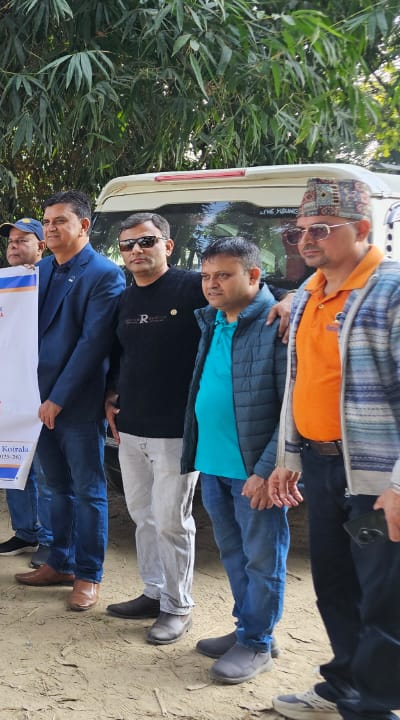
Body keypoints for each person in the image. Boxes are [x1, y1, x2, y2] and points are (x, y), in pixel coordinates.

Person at [268, 178, 400, 720]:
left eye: (321, 229)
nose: (306, 240)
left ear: (363, 230)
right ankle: (345, 680)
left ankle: (377, 705)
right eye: (298, 231)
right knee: (334, 585)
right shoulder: (310, 294)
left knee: (384, 599)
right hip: (322, 468)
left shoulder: (391, 291)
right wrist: (287, 458)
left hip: (374, 479)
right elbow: (300, 383)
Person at [179, 237, 289, 684]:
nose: (211, 284)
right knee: (234, 554)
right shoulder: (213, 320)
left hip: (254, 472)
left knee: (263, 559)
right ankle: (251, 627)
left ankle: (258, 643)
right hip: (214, 463)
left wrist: (265, 470)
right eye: (206, 276)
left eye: (223, 275)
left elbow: (291, 409)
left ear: (254, 275)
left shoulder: (276, 324)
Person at [14, 190, 124, 613]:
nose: (51, 227)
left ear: (84, 226)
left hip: (74, 404)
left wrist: (58, 399)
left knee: (88, 490)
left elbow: (92, 345)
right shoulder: (39, 269)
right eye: (47, 221)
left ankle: (88, 574)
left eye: (61, 220)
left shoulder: (104, 274)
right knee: (56, 486)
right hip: (35, 402)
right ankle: (59, 561)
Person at [101, 212, 205, 644]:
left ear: (168, 245)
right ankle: (153, 592)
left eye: (146, 242)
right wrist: (109, 393)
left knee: (171, 521)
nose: (136, 251)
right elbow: (118, 355)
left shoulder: (194, 286)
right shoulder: (125, 300)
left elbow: (248, 299)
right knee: (143, 516)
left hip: (176, 431)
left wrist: (286, 301)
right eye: (127, 245)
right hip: (131, 428)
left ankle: (178, 607)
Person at [0, 217, 54, 568]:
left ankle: (48, 538)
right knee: (13, 465)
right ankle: (25, 531)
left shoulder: (51, 278)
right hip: (8, 389)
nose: (14, 245)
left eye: (23, 239)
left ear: (41, 246)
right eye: (11, 240)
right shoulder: (2, 283)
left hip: (42, 389)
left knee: (45, 469)